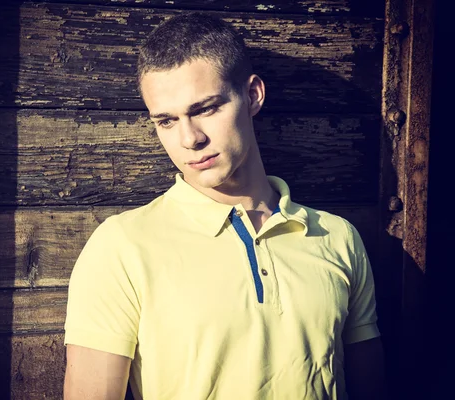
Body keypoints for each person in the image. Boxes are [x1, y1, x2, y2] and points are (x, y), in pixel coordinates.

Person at [63, 12, 386, 400]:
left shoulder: (337, 237)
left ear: (252, 95)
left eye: (206, 109)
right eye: (166, 121)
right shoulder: (122, 246)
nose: (189, 139)